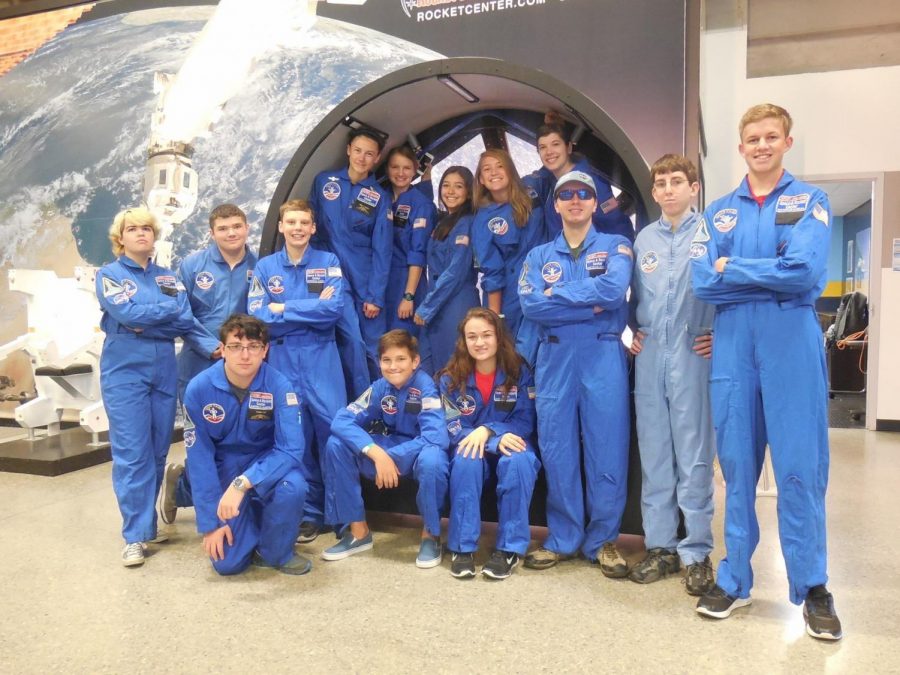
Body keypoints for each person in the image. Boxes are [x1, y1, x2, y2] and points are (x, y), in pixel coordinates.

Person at [690, 103, 842, 640]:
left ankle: (814, 587)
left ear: (786, 142)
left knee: (801, 467)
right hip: (733, 344)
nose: (761, 145)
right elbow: (704, 283)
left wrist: (736, 268)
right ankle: (734, 580)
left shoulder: (810, 201)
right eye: (752, 138)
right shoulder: (719, 214)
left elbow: (804, 273)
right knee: (736, 467)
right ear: (741, 148)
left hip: (789, 341)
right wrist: (761, 274)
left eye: (770, 137)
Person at [518, 171, 633, 576]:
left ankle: (603, 541)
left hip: (602, 354)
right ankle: (563, 538)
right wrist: (589, 301)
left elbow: (614, 291)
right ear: (556, 204)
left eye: (584, 194)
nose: (575, 200)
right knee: (557, 449)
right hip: (554, 360)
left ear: (593, 201)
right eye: (566, 194)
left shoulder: (617, 245)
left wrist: (559, 295)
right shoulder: (538, 257)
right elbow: (532, 307)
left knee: (608, 447)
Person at [628, 155, 715, 595]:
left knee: (694, 454)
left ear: (693, 187)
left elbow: (730, 289)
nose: (667, 189)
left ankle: (697, 551)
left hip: (693, 351)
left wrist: (720, 335)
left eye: (676, 181)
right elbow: (630, 297)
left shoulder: (713, 232)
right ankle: (660, 547)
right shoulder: (643, 239)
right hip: (650, 355)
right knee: (656, 454)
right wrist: (632, 335)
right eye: (660, 182)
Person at [95, 207, 196, 566]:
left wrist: (149, 319)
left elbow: (183, 318)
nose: (141, 234)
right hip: (125, 370)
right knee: (132, 454)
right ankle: (133, 536)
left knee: (156, 452)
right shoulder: (110, 275)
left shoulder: (169, 278)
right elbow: (129, 316)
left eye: (146, 229)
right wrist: (161, 315)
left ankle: (147, 525)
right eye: (132, 229)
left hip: (163, 368)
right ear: (120, 238)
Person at [248, 199, 345, 544]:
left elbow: (333, 309)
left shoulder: (328, 261)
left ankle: (342, 514)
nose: (298, 228)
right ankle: (310, 514)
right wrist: (309, 309)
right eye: (292, 222)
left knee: (335, 435)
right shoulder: (265, 268)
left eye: (305, 222)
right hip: (284, 362)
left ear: (313, 228)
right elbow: (259, 316)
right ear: (281, 227)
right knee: (296, 439)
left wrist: (284, 307)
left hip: (322, 359)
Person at [183, 314, 311, 576]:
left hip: (266, 461)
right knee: (227, 564)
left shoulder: (279, 386)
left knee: (293, 486)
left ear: (265, 350)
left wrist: (243, 483)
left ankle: (275, 549)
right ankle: (181, 487)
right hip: (222, 464)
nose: (245, 355)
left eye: (253, 346)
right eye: (235, 346)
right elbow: (200, 457)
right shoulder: (199, 388)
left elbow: (291, 449)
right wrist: (210, 524)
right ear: (222, 349)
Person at [159, 203, 257, 527]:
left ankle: (188, 488)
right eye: (224, 228)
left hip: (239, 366)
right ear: (212, 232)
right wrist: (211, 346)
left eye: (236, 227)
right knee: (201, 439)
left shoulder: (260, 266)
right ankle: (200, 505)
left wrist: (239, 351)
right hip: (197, 363)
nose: (231, 233)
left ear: (246, 228)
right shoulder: (191, 265)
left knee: (236, 439)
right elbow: (180, 313)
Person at [321, 330, 450, 568]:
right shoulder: (380, 387)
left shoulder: (426, 387)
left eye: (401, 359)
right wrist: (376, 452)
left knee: (433, 460)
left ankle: (430, 535)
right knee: (336, 444)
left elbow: (436, 437)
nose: (393, 367)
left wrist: (391, 457)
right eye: (386, 360)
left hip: (419, 450)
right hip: (388, 447)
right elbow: (342, 420)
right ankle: (358, 532)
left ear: (415, 361)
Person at [439, 308, 540, 580]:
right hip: (469, 442)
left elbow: (526, 420)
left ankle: (508, 549)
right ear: (463, 341)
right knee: (465, 459)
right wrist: (485, 438)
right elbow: (453, 427)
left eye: (486, 335)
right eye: (472, 337)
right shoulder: (449, 378)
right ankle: (462, 547)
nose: (480, 342)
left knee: (519, 460)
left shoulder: (519, 371)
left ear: (498, 337)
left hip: (512, 438)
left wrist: (489, 430)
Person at [310, 127, 392, 384]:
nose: (362, 158)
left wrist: (376, 295)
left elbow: (383, 248)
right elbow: (310, 229)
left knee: (374, 347)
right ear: (348, 151)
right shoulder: (325, 182)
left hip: (366, 277)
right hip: (333, 275)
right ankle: (356, 405)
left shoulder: (379, 196)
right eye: (357, 151)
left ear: (377, 158)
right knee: (350, 342)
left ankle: (383, 406)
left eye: (369, 154)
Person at [523, 111, 634, 242]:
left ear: (569, 147)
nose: (549, 152)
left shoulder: (593, 183)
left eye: (555, 144)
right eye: (543, 147)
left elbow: (616, 226)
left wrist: (621, 255)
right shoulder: (548, 179)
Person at [471, 148, 544, 338]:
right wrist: (496, 316)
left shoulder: (533, 189)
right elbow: (492, 271)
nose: (494, 172)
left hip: (545, 281)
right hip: (511, 293)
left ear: (511, 170)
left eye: (500, 166)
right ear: (480, 179)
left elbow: (557, 167)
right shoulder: (483, 219)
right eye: (487, 169)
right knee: (512, 351)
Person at [414, 166, 480, 374]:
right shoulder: (443, 221)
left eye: (458, 186)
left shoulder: (466, 223)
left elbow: (456, 271)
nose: (450, 191)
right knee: (433, 365)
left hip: (456, 302)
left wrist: (426, 308)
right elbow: (427, 205)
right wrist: (426, 178)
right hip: (438, 301)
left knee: (455, 366)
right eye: (446, 185)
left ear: (469, 192)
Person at [384, 145, 434, 335]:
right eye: (395, 167)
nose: (400, 173)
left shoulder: (421, 204)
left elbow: (418, 252)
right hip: (383, 279)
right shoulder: (382, 198)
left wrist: (409, 296)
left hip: (407, 280)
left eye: (406, 168)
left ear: (414, 170)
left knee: (402, 337)